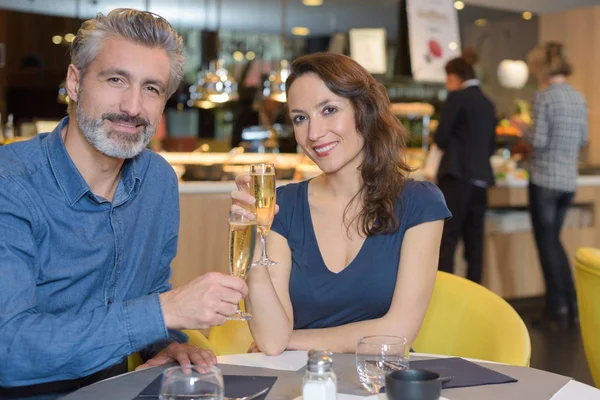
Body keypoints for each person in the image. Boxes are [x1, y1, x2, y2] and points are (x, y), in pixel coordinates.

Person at [0, 9, 247, 397]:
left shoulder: (158, 181)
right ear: (75, 82)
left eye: (152, 88)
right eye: (116, 80)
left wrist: (167, 343)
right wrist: (165, 311)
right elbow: (8, 350)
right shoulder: (10, 182)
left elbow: (149, 293)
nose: (133, 107)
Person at [231, 52, 451, 355]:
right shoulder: (284, 206)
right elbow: (270, 340)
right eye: (300, 118)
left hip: (378, 383)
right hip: (301, 384)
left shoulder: (419, 204)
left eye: (330, 110)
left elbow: (397, 335)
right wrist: (253, 241)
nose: (314, 133)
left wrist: (291, 340)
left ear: (365, 111)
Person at [518, 42, 587, 329]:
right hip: (568, 180)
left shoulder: (543, 97)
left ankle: (557, 310)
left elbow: (539, 140)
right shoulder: (577, 98)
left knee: (547, 245)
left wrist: (522, 128)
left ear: (542, 67)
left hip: (545, 179)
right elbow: (583, 140)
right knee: (555, 242)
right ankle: (571, 304)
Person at [433, 56, 497, 284]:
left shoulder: (456, 98)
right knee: (475, 244)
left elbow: (441, 138)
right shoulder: (488, 103)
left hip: (457, 177)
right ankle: (475, 297)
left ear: (453, 77)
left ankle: (446, 293)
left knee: (448, 239)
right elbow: (491, 146)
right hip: (481, 180)